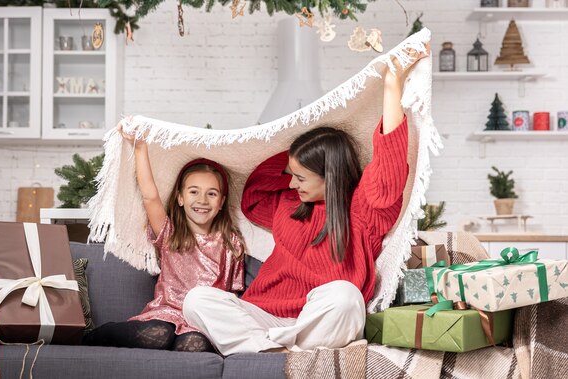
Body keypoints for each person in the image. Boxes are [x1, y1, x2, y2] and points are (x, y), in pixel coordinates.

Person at [183, 47, 430, 355]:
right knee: (196, 300)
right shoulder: (287, 203)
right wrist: (293, 143)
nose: (290, 183)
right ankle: (283, 356)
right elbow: (254, 193)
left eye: (300, 177)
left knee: (346, 296)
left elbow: (390, 166)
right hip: (264, 316)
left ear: (330, 175)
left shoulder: (364, 209)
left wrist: (392, 84)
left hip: (318, 319)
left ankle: (269, 354)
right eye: (291, 174)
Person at [84, 124, 246, 352]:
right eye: (193, 191)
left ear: (221, 203)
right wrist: (140, 147)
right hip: (166, 313)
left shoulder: (231, 242)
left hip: (202, 322)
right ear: (180, 198)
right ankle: (101, 334)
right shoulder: (170, 232)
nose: (202, 199)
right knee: (158, 335)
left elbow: (233, 294)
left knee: (194, 345)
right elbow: (150, 196)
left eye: (212, 193)